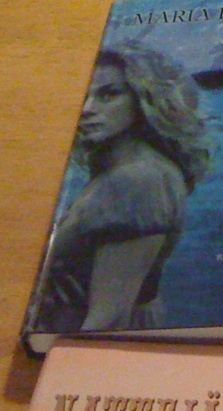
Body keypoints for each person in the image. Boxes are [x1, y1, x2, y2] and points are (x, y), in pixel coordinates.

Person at [30, 46, 210, 332]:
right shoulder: (123, 169)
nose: (87, 109)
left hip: (83, 343)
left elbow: (109, 320)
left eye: (108, 95)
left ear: (144, 99)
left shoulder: (137, 181)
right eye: (84, 96)